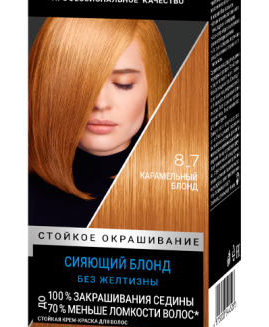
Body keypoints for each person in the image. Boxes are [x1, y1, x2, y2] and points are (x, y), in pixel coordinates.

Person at [29, 17, 172, 227]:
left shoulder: (185, 197)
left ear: (153, 86)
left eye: (123, 84)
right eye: (80, 83)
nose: (100, 103)